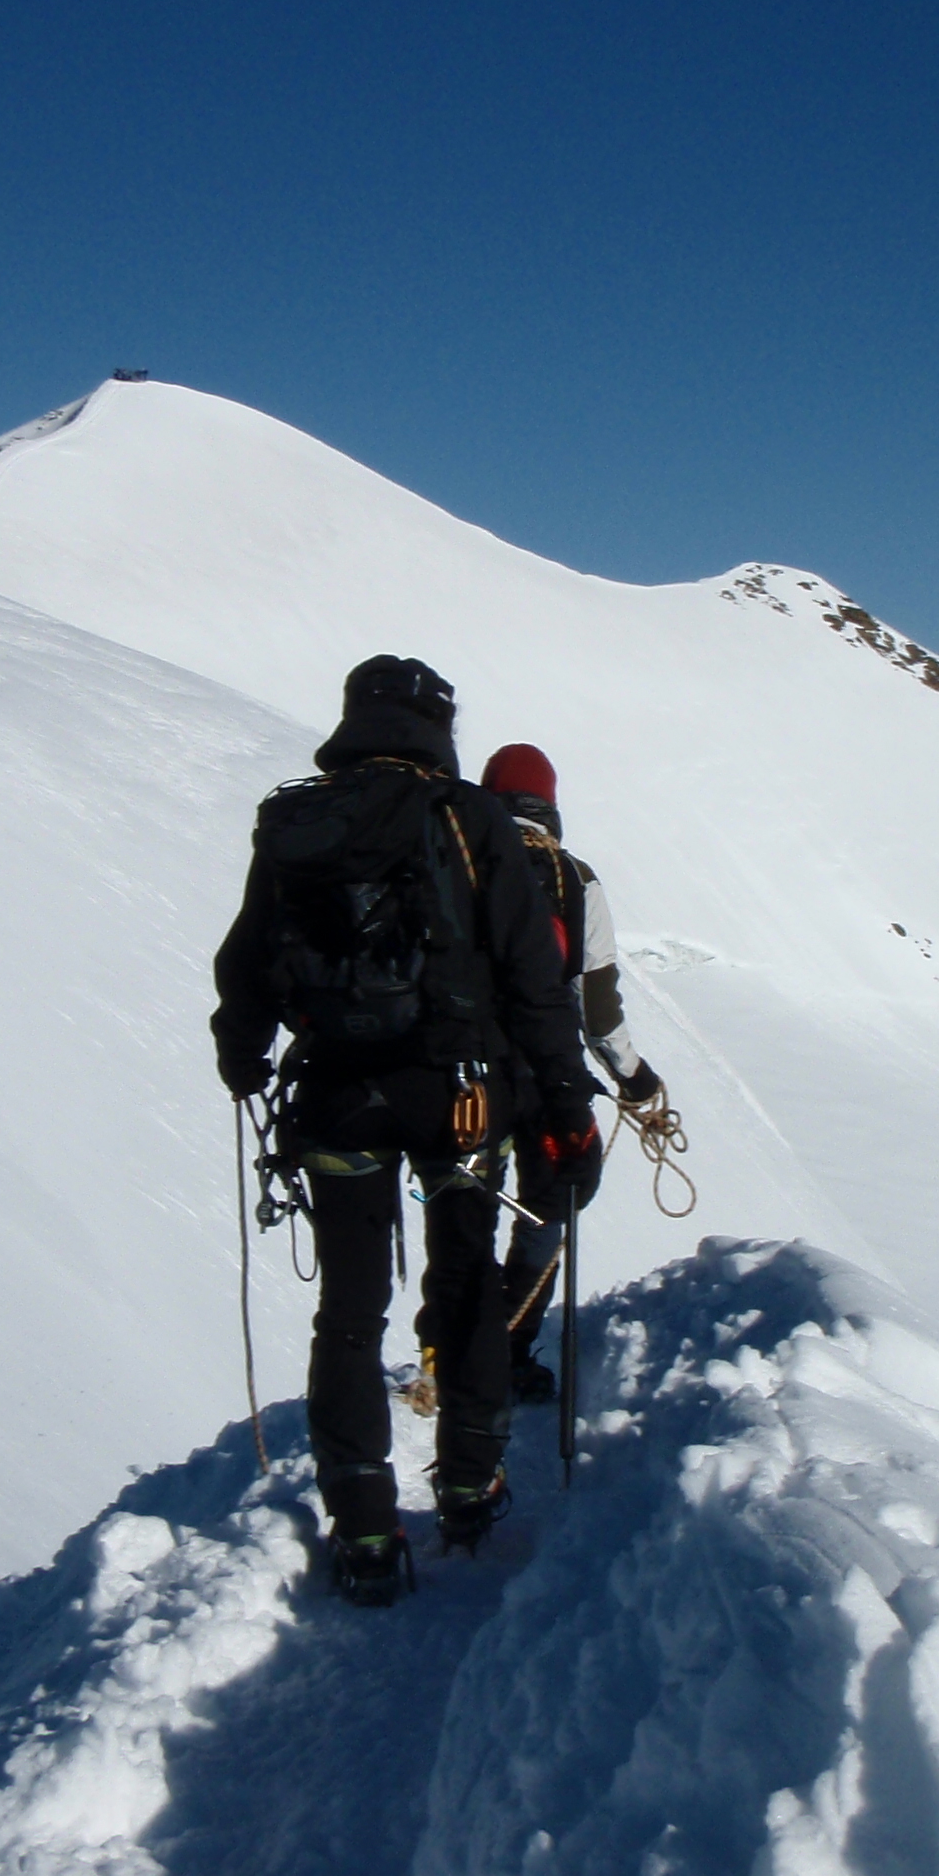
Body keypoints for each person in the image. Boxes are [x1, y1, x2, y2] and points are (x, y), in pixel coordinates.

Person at [211, 657, 601, 1605]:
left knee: (348, 1312)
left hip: (336, 1095)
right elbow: (531, 980)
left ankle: (364, 1525)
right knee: (465, 1286)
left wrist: (245, 1053)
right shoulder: (469, 819)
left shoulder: (301, 820)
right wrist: (566, 1105)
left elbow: (248, 959)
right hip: (459, 1097)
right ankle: (468, 1486)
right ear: (437, 726)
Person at [444, 743, 662, 1404]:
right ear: (550, 804)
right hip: (546, 1079)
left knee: (464, 1206)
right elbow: (597, 1010)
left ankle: (452, 1347)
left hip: (463, 1073)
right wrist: (636, 1080)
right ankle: (508, 1345)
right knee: (555, 1199)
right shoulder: (575, 880)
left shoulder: (457, 861)